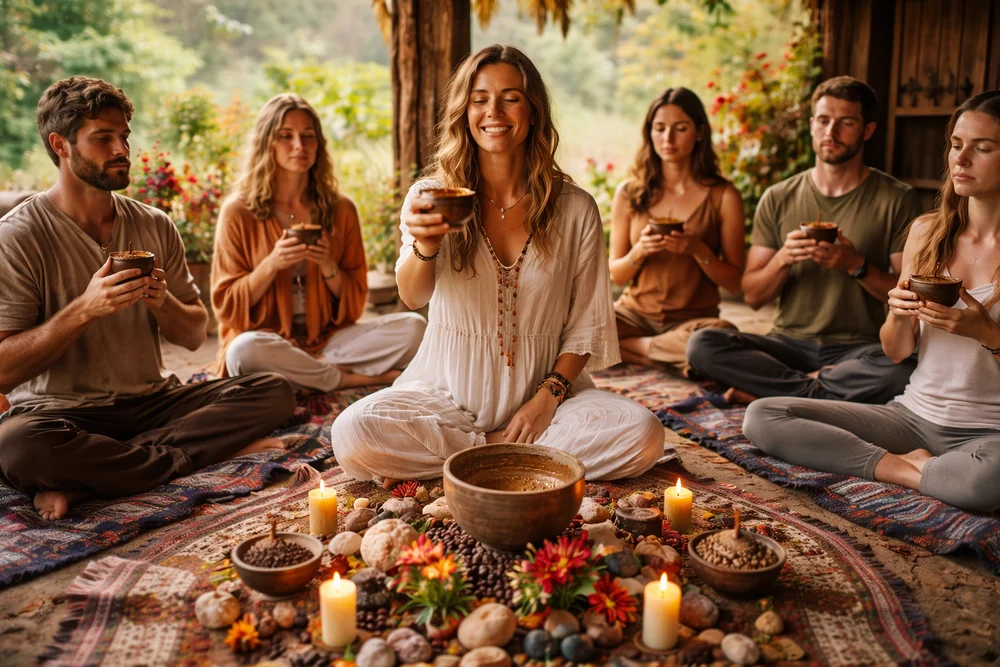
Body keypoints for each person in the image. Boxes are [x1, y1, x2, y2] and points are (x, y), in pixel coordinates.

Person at [330, 45, 664, 485]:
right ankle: (501, 452)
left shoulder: (575, 209)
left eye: (511, 97)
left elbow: (586, 326)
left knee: (643, 434)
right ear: (464, 110)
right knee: (353, 432)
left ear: (533, 110)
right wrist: (426, 243)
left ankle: (464, 461)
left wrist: (547, 399)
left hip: (549, 403)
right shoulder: (431, 196)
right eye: (479, 98)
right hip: (445, 394)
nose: (494, 111)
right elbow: (413, 296)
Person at [0, 77, 296, 520]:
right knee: (17, 446)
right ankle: (197, 455)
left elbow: (195, 334)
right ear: (60, 145)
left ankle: (91, 480)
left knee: (273, 391)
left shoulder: (154, 225)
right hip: (62, 415)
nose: (122, 149)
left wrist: (162, 302)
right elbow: (4, 369)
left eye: (124, 137)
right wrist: (84, 309)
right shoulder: (18, 236)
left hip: (153, 403)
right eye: (104, 138)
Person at [743, 90, 1000, 513]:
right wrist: (899, 316)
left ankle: (932, 469)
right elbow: (896, 350)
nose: (961, 158)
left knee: (988, 482)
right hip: (912, 417)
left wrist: (986, 333)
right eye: (956, 145)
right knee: (764, 416)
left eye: (982, 147)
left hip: (987, 433)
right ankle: (907, 469)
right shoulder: (926, 233)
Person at [686, 76, 925, 403]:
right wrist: (783, 258)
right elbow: (753, 296)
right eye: (824, 121)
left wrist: (855, 265)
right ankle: (815, 388)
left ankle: (774, 390)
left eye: (846, 123)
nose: (831, 133)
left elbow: (907, 298)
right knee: (702, 344)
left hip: (859, 349)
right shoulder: (778, 197)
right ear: (812, 125)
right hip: (787, 344)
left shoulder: (898, 198)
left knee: (903, 367)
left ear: (867, 130)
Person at [211, 94, 426, 391]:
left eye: (307, 136)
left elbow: (353, 306)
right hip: (267, 341)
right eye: (286, 136)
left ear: (319, 144)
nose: (299, 146)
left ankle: (305, 376)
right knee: (243, 351)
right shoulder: (238, 211)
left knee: (415, 329)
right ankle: (349, 378)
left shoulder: (341, 209)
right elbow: (227, 306)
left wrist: (328, 266)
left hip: (330, 342)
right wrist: (272, 264)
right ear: (266, 143)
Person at [610, 88, 746, 376]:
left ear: (699, 133)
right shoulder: (629, 193)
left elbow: (734, 283)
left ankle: (634, 350)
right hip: (633, 315)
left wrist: (698, 249)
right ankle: (666, 355)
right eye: (659, 129)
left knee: (721, 336)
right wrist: (641, 251)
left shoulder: (724, 196)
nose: (668, 139)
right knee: (575, 326)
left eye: (679, 128)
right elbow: (616, 274)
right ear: (650, 134)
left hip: (692, 321)